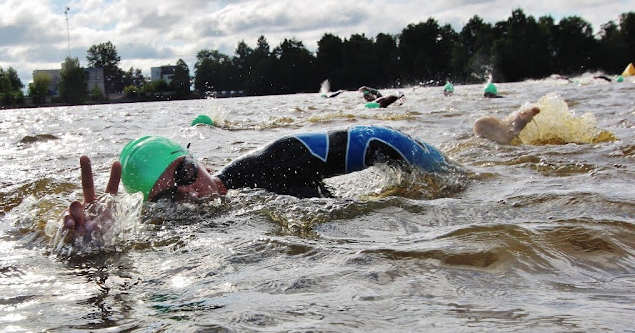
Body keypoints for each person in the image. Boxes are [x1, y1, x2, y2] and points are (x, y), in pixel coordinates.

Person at [63, 126, 455, 237]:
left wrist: (452, 181)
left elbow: (380, 141)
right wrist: (98, 249)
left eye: (183, 172)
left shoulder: (276, 161)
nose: (187, 190)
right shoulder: (180, 241)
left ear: (194, 160)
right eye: (167, 196)